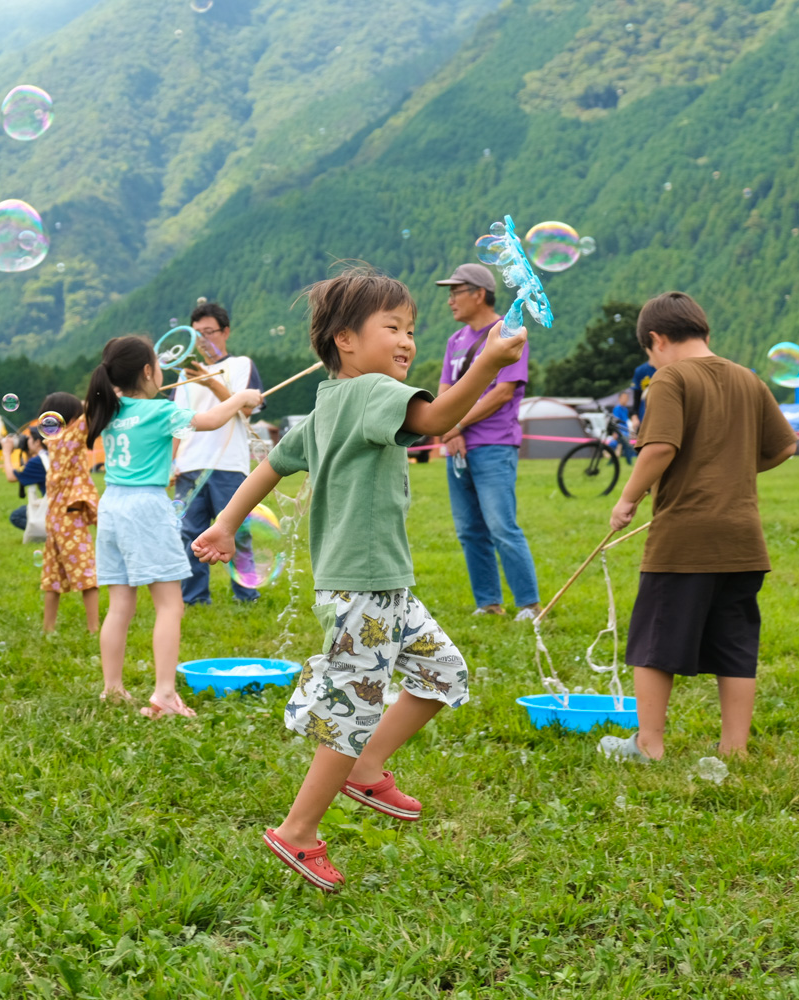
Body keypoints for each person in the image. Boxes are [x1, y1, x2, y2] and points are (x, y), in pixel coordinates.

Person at [192, 264, 528, 892]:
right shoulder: (374, 393)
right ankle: (297, 831)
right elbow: (434, 421)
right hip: (363, 589)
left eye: (411, 330)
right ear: (345, 340)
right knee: (352, 708)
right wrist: (487, 362)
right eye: (392, 327)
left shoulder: (327, 403)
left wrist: (225, 523)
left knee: (443, 673)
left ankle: (365, 767)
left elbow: (270, 469)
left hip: (380, 585)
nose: (407, 341)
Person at [599, 292, 797, 764]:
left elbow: (660, 447)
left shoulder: (669, 378)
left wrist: (627, 499)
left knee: (654, 639)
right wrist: (730, 469)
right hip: (743, 539)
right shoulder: (748, 380)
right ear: (703, 331)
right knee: (735, 644)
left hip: (684, 538)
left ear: (656, 340)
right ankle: (735, 749)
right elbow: (784, 447)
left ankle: (648, 744)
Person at [85, 336, 262, 717]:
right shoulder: (158, 411)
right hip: (146, 509)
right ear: (148, 372)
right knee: (170, 605)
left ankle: (112, 689)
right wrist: (241, 398)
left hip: (112, 505)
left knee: (119, 606)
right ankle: (164, 695)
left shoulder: (111, 411)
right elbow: (212, 420)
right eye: (158, 365)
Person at [434, 263, 542, 621]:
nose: (450, 300)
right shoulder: (455, 341)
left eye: (456, 292)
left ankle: (529, 604)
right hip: (458, 446)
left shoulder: (509, 332)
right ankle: (488, 603)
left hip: (494, 444)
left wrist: (456, 424)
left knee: (501, 525)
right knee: (469, 529)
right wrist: (449, 428)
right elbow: (445, 389)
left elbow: (502, 393)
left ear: (479, 294)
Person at [172, 302, 263, 606]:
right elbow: (176, 422)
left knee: (237, 532)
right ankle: (195, 598)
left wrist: (210, 382)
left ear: (226, 331)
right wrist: (171, 461)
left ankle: (246, 595)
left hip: (229, 464)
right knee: (191, 535)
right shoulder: (184, 375)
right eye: (196, 334)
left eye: (208, 332)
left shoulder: (240, 365)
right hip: (189, 465)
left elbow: (247, 408)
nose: (202, 340)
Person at [36, 392, 99, 633]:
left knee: (52, 578)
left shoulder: (52, 443)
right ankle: (94, 629)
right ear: (69, 421)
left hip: (55, 519)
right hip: (70, 518)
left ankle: (47, 629)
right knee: (87, 576)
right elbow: (90, 414)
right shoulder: (69, 439)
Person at [2, 428, 47, 531]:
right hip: (62, 504)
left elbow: (11, 477)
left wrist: (6, 452)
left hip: (52, 508)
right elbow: (29, 470)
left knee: (16, 516)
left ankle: (49, 531)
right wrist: (28, 453)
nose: (27, 441)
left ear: (37, 442)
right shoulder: (49, 455)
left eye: (29, 438)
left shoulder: (38, 461)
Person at [609, 389, 637, 465]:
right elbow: (616, 422)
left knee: (626, 447)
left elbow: (626, 421)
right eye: (624, 398)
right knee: (627, 447)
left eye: (626, 398)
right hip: (620, 433)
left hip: (625, 432)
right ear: (620, 399)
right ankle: (629, 463)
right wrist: (615, 432)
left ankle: (611, 463)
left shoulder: (625, 409)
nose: (625, 400)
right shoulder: (617, 409)